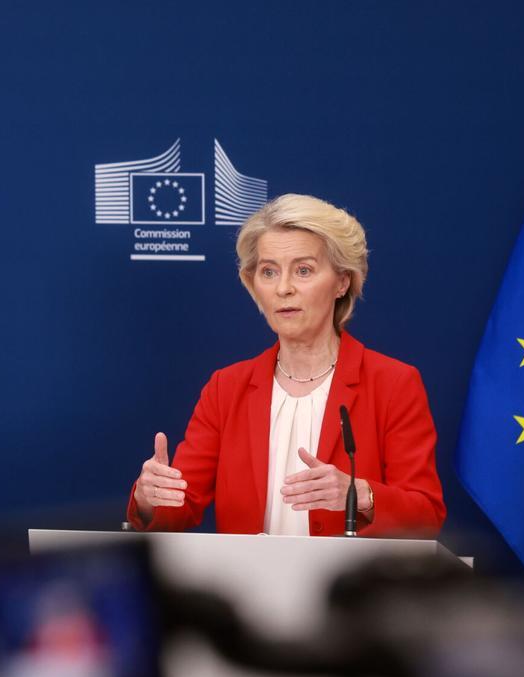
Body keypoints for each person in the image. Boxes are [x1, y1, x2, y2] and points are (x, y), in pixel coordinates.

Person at [128, 194, 444, 536]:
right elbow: (178, 509)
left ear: (342, 281)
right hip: (244, 572)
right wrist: (150, 497)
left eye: (303, 270)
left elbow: (425, 517)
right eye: (269, 272)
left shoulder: (393, 383)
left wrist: (362, 495)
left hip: (352, 573)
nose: (283, 288)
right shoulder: (226, 388)